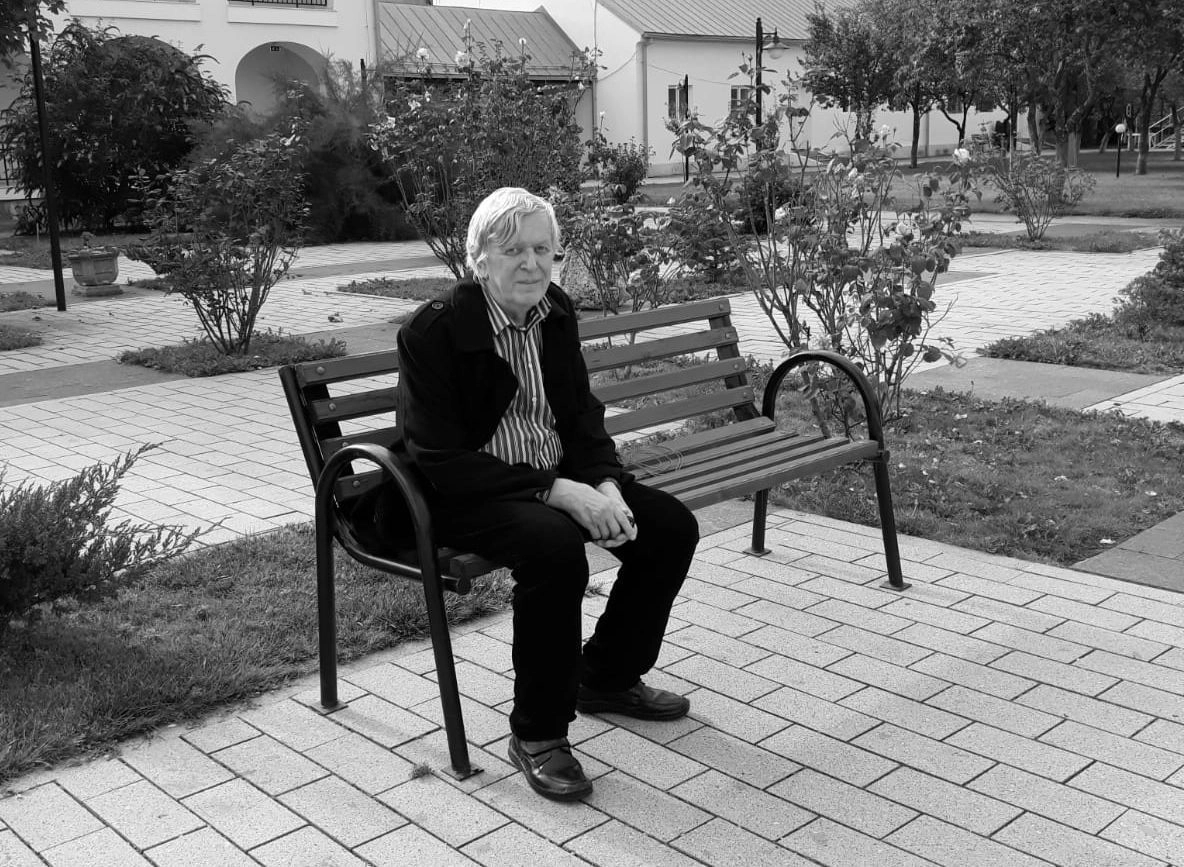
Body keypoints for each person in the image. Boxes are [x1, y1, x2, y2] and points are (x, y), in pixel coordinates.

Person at [394, 187, 699, 801]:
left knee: (668, 528)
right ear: (479, 258)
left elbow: (581, 413)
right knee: (554, 549)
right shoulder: (435, 332)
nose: (532, 264)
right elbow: (440, 457)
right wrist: (558, 492)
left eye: (543, 250)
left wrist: (604, 481)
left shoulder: (553, 311)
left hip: (551, 475)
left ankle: (605, 677)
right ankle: (538, 733)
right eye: (513, 251)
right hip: (464, 492)